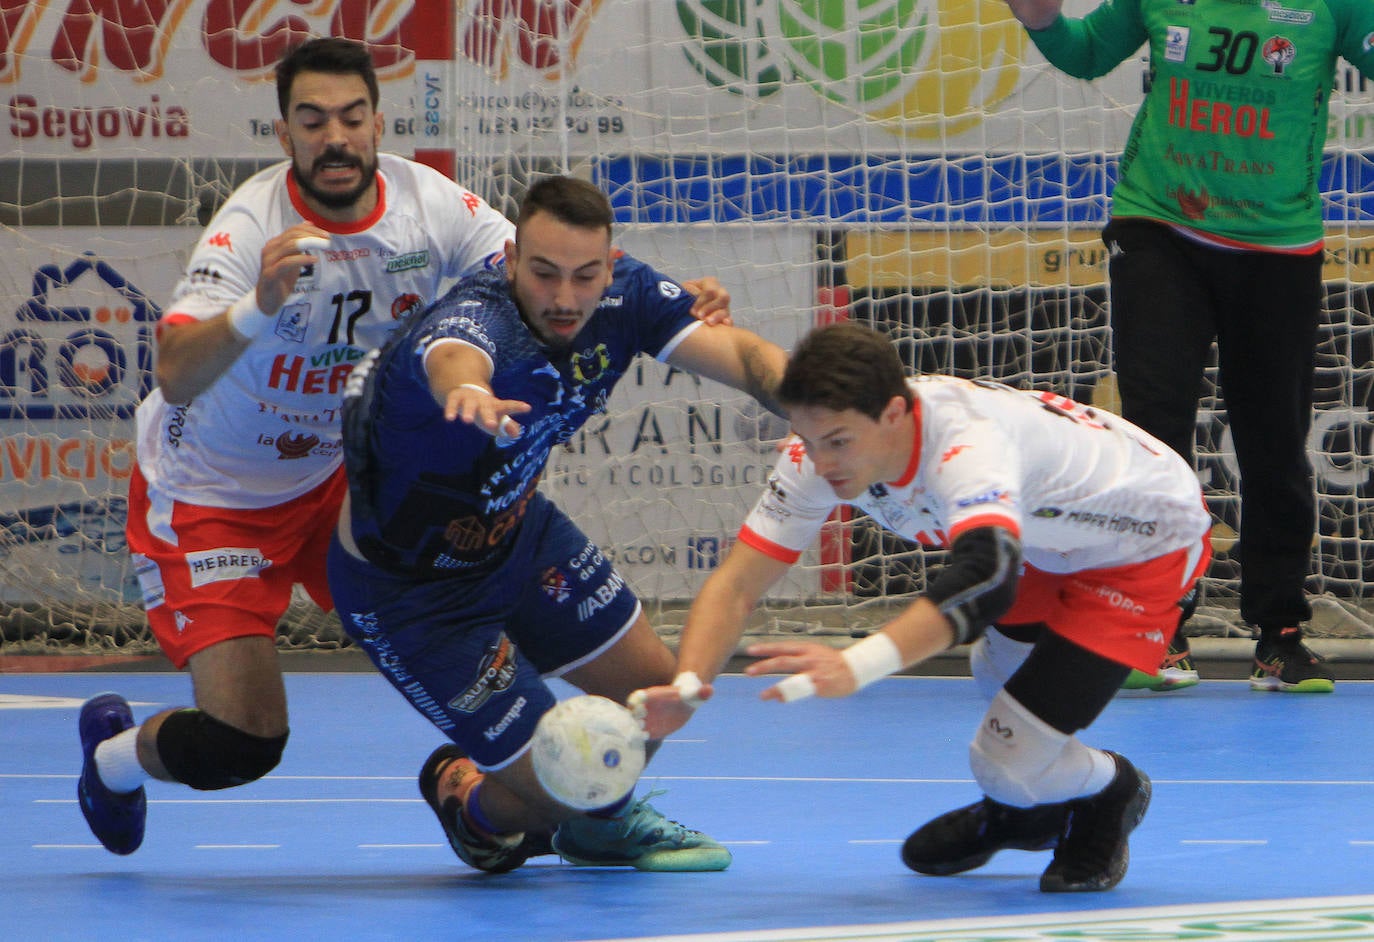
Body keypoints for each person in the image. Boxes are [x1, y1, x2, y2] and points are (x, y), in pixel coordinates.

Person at [74, 38, 733, 857]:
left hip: (341, 482)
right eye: (312, 121)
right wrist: (257, 305)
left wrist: (665, 298)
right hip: (217, 499)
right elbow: (173, 374)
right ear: (284, 134)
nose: (335, 137)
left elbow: (546, 265)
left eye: (352, 117)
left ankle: (503, 793)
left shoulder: (429, 204)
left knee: (472, 617)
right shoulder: (251, 224)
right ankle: (112, 757)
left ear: (378, 122)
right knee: (245, 740)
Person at [634, 322, 1213, 892]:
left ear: (893, 413)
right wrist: (688, 684)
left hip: (1144, 541)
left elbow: (987, 578)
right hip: (1049, 537)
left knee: (1004, 761)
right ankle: (1030, 808)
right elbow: (738, 583)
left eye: (838, 442)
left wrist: (856, 665)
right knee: (994, 678)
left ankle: (1109, 792)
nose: (823, 462)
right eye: (809, 441)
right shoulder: (819, 450)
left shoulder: (966, 443)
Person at [326, 174, 788, 873]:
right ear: (511, 262)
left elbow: (745, 359)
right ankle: (471, 807)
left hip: (517, 537)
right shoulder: (478, 322)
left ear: (611, 265)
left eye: (584, 275)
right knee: (569, 782)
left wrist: (822, 403)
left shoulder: (626, 295)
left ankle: (599, 830)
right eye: (543, 274)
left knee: (655, 696)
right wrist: (471, 394)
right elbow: (451, 357)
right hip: (410, 594)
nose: (565, 298)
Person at [1001, 0, 1374, 693]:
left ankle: (1280, 636)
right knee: (1152, 436)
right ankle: (1154, 627)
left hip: (1277, 243)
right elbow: (1087, 53)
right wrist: (1042, 19)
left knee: (1273, 440)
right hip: (1160, 226)